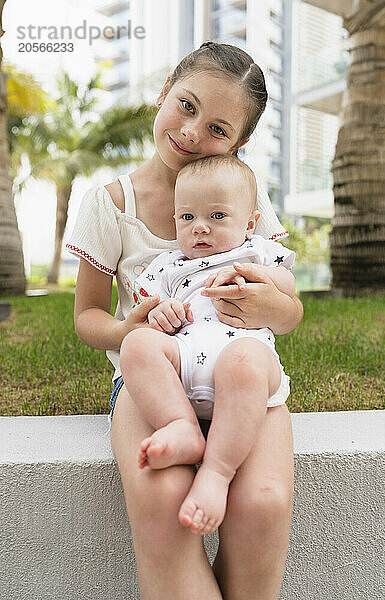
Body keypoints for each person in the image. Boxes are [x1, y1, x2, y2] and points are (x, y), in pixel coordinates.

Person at [67, 41, 303, 600]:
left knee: (264, 503)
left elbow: (289, 309)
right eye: (188, 105)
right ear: (165, 90)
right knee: (163, 502)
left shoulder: (240, 193)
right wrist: (132, 330)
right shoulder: (110, 203)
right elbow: (87, 317)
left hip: (242, 372)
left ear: (240, 144)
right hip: (156, 377)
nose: (194, 132)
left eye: (219, 128)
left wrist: (272, 306)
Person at [121, 153, 296, 538]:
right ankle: (180, 424)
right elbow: (144, 304)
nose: (200, 228)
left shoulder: (257, 253)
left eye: (217, 217)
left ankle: (216, 474)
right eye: (187, 218)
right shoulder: (169, 264)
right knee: (136, 345)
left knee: (243, 361)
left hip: (243, 366)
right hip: (184, 363)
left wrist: (262, 281)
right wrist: (160, 312)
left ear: (249, 223)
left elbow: (288, 291)